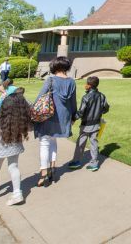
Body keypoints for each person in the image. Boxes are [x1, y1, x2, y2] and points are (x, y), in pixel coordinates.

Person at [33, 56, 77, 186]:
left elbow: (40, 96)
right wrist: (73, 117)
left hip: (49, 115)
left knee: (44, 142)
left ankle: (43, 172)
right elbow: (73, 102)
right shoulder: (71, 82)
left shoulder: (51, 80)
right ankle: (52, 167)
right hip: (63, 116)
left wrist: (32, 110)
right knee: (53, 140)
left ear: (54, 66)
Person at [68, 76, 109, 172]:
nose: (85, 85)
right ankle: (94, 163)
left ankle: (76, 161)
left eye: (86, 84)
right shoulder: (102, 96)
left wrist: (73, 118)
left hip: (86, 124)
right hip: (97, 123)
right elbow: (106, 108)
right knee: (94, 142)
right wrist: (100, 111)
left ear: (89, 86)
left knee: (81, 143)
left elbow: (81, 112)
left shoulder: (86, 97)